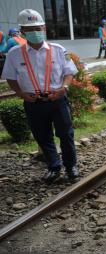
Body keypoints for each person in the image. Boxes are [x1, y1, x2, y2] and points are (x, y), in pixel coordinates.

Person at [1, 9, 79, 183]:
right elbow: (10, 77)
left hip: (57, 100)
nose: (35, 32)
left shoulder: (58, 50)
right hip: (33, 103)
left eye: (37, 28)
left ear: (44, 27)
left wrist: (64, 88)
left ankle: (71, 165)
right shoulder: (14, 54)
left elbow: (69, 72)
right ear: (22, 31)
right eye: (29, 29)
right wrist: (20, 93)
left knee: (66, 134)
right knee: (42, 136)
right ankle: (54, 166)